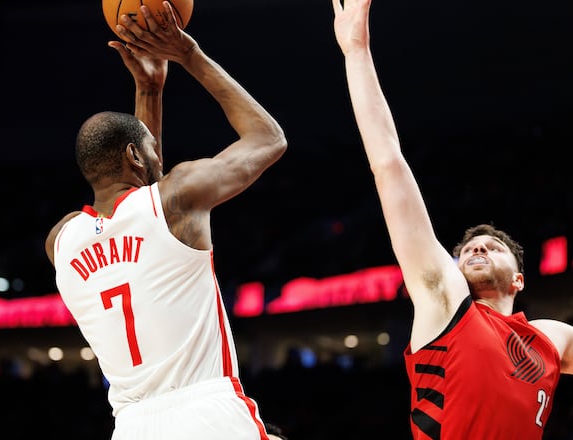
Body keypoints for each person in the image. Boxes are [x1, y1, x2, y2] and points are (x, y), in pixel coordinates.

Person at [331, 0, 573, 438]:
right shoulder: (446, 301)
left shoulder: (552, 338)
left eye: (492, 247)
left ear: (519, 280)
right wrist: (356, 52)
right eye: (468, 250)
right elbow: (388, 165)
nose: (477, 248)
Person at [45, 2, 287, 439]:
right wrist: (188, 53)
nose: (161, 154)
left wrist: (150, 90)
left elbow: (138, 200)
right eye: (152, 149)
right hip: (208, 412)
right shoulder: (177, 198)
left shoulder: (61, 241)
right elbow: (268, 139)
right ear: (135, 156)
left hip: (132, 426)